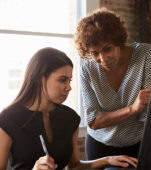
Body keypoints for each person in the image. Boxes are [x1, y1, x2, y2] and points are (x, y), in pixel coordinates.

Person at [0, 47, 138, 170]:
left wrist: (108, 160)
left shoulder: (70, 117)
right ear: (40, 79)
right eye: (62, 80)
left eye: (69, 80)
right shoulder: (8, 119)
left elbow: (75, 165)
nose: (69, 87)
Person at [74, 7, 151, 167]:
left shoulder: (147, 55)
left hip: (139, 144)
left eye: (107, 49)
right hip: (99, 146)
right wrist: (132, 109)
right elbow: (93, 120)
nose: (103, 58)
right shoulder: (87, 71)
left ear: (119, 41)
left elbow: (149, 115)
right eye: (94, 53)